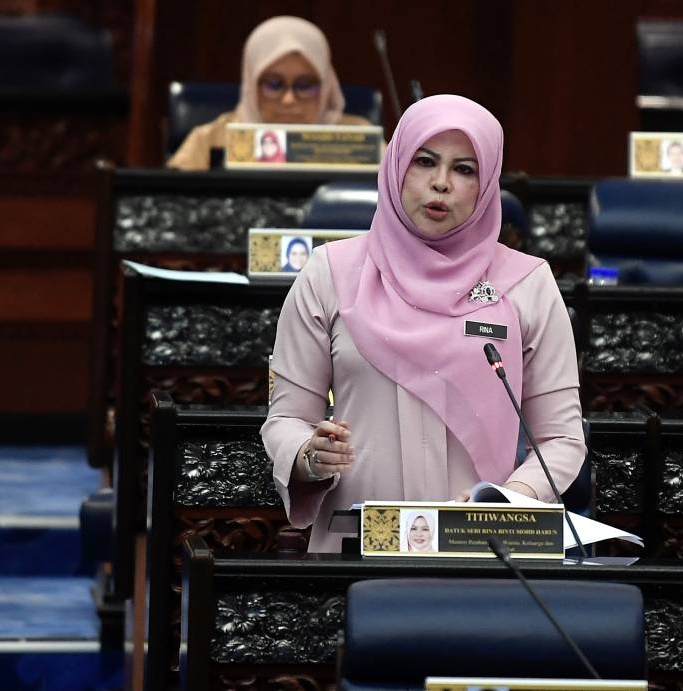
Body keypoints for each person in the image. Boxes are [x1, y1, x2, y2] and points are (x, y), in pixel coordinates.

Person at [261, 94, 585, 553]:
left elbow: (561, 440)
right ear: (396, 167)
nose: (440, 184)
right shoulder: (329, 273)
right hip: (356, 544)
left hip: (481, 546)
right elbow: (286, 419)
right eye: (425, 161)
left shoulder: (527, 285)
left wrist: (508, 503)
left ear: (488, 184)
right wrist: (309, 456)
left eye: (464, 169)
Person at [167, 16, 370, 170]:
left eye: (305, 85)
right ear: (251, 85)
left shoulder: (362, 140)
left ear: (326, 87)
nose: (289, 100)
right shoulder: (210, 140)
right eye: (274, 84)